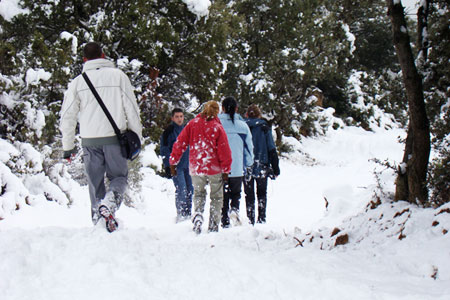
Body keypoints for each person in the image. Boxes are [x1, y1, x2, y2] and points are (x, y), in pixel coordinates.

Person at [60, 42, 142, 232]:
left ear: (84, 59)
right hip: (115, 140)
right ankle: (110, 203)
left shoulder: (78, 82)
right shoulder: (119, 77)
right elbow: (132, 109)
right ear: (103, 56)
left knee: (95, 181)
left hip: (89, 141)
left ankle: (99, 221)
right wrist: (136, 137)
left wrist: (68, 147)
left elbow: (68, 116)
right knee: (119, 177)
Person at [169, 101, 232, 234]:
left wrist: (173, 161)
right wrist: (226, 169)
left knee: (199, 193)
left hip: (197, 166)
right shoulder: (217, 127)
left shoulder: (192, 124)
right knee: (216, 197)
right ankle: (213, 225)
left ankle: (197, 216)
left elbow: (180, 143)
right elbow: (224, 151)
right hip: (213, 168)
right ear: (216, 112)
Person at [218, 96, 254, 228]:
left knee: (223, 195)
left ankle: (224, 221)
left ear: (222, 108)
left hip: (220, 167)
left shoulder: (217, 124)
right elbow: (249, 148)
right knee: (236, 193)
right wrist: (249, 163)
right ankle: (234, 210)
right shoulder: (243, 127)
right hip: (237, 166)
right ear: (237, 109)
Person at [244, 104, 280, 225]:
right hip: (262, 164)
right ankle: (261, 218)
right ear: (259, 114)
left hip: (246, 166)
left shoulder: (243, 127)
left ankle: (250, 219)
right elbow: (271, 148)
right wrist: (276, 167)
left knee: (248, 195)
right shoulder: (264, 127)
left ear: (247, 114)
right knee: (261, 193)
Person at [160, 108, 193, 222]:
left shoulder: (187, 130)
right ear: (172, 118)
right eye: (177, 116)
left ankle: (188, 213)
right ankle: (181, 215)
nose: (179, 119)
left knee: (190, 189)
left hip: (188, 165)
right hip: (176, 166)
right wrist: (168, 166)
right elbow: (164, 149)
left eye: (181, 116)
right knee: (181, 189)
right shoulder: (168, 132)